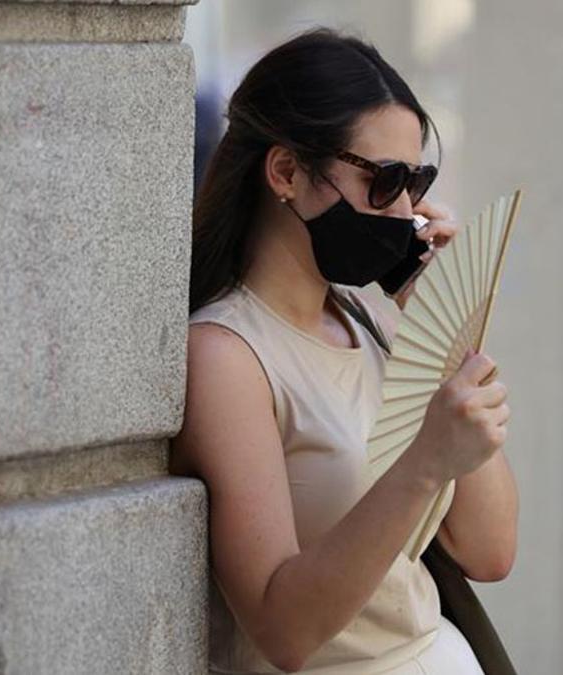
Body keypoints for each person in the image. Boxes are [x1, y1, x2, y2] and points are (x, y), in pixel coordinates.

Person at [170, 27, 518, 674]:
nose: (407, 211)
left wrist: (444, 332)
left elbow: (489, 550)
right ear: (286, 172)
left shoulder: (376, 327)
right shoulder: (227, 356)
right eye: (385, 181)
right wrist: (423, 461)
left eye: (418, 182)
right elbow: (284, 629)